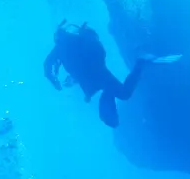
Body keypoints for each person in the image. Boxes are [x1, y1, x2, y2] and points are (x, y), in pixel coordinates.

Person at [43, 21, 178, 128]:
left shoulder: (58, 50)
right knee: (116, 93)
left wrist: (54, 81)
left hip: (93, 75)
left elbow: (48, 67)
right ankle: (140, 62)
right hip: (97, 71)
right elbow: (55, 67)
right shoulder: (75, 41)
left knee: (102, 93)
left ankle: (140, 63)